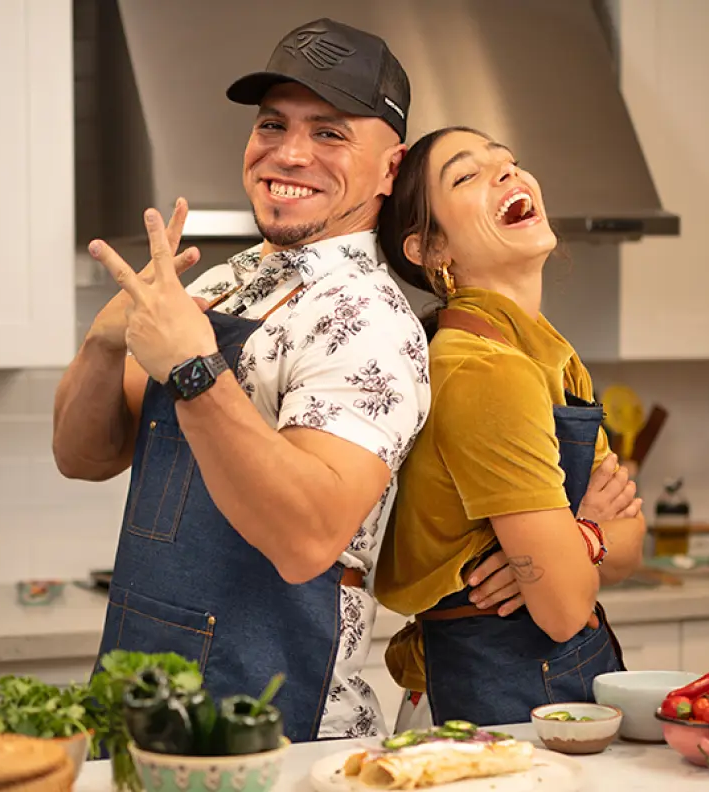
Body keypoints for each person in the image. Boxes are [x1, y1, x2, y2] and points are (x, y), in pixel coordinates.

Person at [52, 18, 432, 741]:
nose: (289, 153)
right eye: (272, 124)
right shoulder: (222, 284)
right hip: (146, 695)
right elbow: (84, 456)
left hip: (281, 725)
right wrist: (103, 346)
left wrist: (193, 369)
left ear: (390, 169)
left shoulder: (370, 322)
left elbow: (308, 538)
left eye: (329, 132)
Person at [372, 126, 648, 730]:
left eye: (510, 161)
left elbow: (631, 539)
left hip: (530, 691)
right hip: (495, 705)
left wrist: (578, 544)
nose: (508, 173)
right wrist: (585, 539)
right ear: (430, 249)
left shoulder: (548, 358)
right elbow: (565, 608)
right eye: (467, 175)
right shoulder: (483, 370)